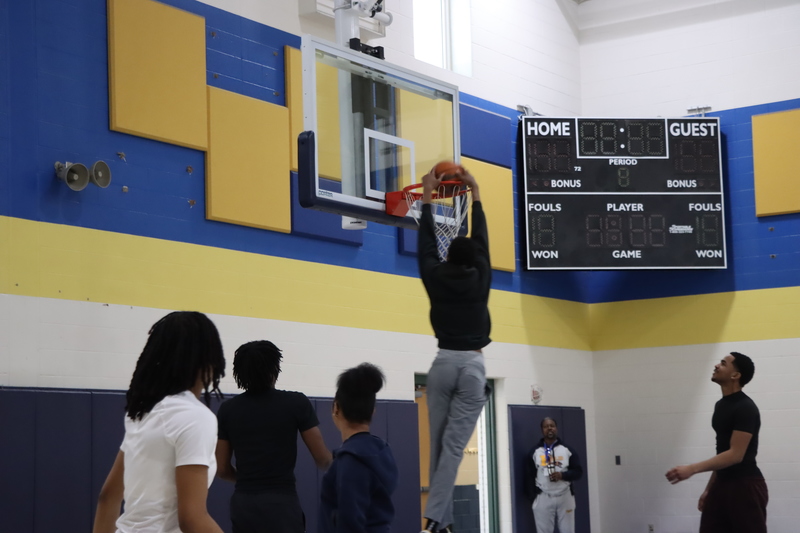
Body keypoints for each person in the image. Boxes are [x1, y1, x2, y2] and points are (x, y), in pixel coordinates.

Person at [93, 311, 227, 533]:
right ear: (208, 359)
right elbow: (192, 519)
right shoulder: (195, 417)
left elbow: (108, 497)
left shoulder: (142, 413)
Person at [417, 166, 491, 533]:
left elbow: (427, 244)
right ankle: (435, 520)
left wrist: (429, 195)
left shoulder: (434, 274)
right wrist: (475, 193)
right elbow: (482, 239)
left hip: (443, 362)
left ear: (448, 259)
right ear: (474, 259)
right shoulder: (481, 276)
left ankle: (440, 522)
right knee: (452, 446)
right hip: (473, 366)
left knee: (438, 444)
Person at [215, 340, 332, 533]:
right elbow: (322, 459)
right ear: (274, 369)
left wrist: (249, 479)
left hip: (244, 502)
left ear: (239, 372)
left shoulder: (228, 409)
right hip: (281, 502)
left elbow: (222, 469)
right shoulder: (296, 403)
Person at [666, 352, 768, 533]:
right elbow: (723, 452)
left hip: (745, 486)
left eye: (723, 363)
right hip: (723, 484)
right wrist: (709, 489)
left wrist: (692, 468)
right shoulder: (721, 406)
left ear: (735, 375)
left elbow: (735, 455)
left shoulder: (745, 408)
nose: (716, 366)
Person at [319, 363, 398, 533]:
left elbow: (350, 520)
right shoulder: (383, 452)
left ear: (336, 408)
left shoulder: (351, 460)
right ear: (373, 411)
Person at [523, 417, 583, 533]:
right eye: (546, 426)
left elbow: (578, 472)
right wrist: (533, 498)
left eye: (552, 426)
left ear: (556, 428)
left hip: (565, 495)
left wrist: (562, 475)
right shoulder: (535, 452)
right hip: (543, 496)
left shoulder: (567, 450)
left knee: (568, 531)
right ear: (542, 430)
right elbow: (529, 476)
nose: (549, 428)